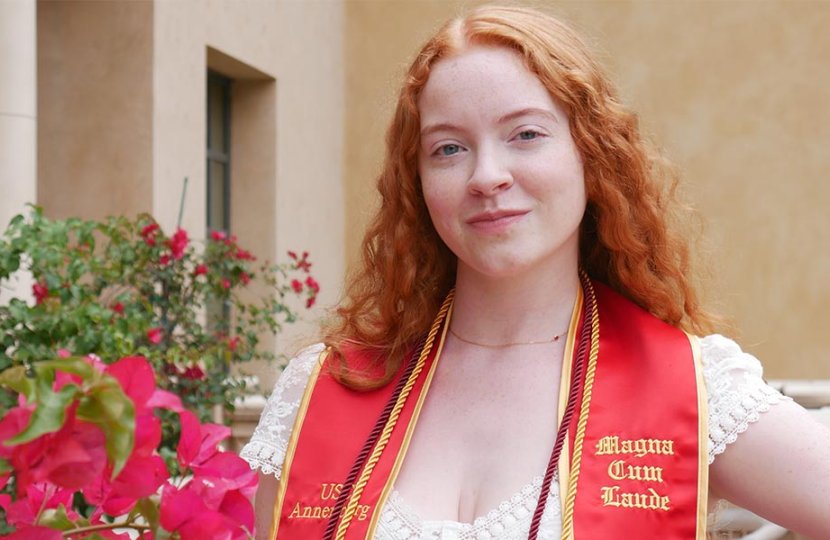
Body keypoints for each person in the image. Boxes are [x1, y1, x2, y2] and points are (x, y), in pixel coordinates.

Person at [241, 5, 830, 539]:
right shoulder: (321, 389)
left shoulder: (694, 389)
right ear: (417, 184)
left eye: (525, 135)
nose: (487, 175)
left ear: (591, 155)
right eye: (448, 148)